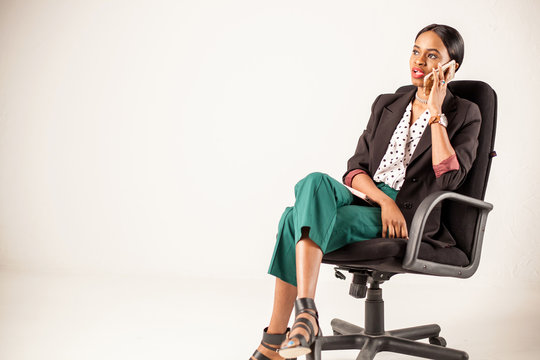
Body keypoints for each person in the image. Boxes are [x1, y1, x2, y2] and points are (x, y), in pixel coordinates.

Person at [250, 24, 481, 360]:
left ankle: (274, 341)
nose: (418, 60)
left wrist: (435, 112)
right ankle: (306, 314)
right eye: (416, 50)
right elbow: (354, 168)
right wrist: (383, 199)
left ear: (451, 67)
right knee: (314, 181)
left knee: (292, 219)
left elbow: (449, 178)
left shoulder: (464, 114)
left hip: (411, 215)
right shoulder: (387, 103)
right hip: (372, 198)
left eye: (432, 55)